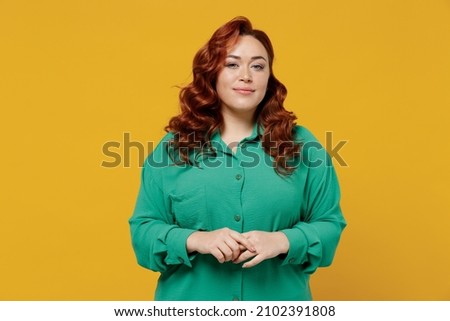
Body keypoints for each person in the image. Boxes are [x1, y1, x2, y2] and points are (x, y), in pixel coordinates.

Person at [129, 16, 346, 301]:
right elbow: (143, 232)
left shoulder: (303, 146)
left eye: (258, 66)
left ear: (269, 79)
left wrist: (282, 241)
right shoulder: (173, 148)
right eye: (232, 64)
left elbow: (329, 223)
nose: (246, 75)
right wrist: (197, 240)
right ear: (212, 74)